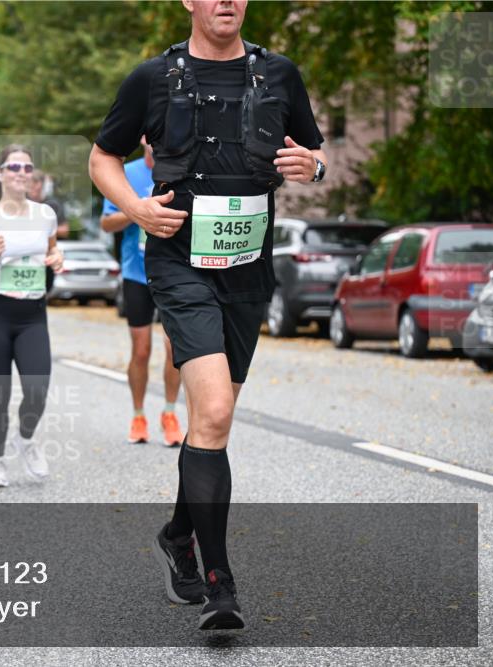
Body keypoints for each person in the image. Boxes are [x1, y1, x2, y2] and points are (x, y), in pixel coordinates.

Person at [89, 0, 327, 631]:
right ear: (190, 2)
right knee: (215, 411)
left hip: (249, 268)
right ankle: (221, 586)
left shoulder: (280, 74)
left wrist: (315, 165)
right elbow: (101, 159)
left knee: (209, 423)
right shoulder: (152, 78)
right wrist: (137, 209)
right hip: (178, 263)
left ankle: (176, 533)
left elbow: (310, 152)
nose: (225, 0)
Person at [0, 145, 63, 487]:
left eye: (27, 167)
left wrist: (57, 260)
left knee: (37, 389)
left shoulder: (46, 215)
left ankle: (25, 438)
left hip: (33, 314)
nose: (22, 172)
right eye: (15, 166)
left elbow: (51, 252)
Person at [101, 137, 185, 447]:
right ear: (143, 140)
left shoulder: (181, 171)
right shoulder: (127, 174)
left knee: (175, 350)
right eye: (153, 136)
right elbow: (106, 223)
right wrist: (138, 209)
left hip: (174, 273)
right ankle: (138, 415)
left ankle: (170, 412)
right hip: (136, 274)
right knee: (141, 350)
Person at [27, 169, 70, 239]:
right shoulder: (21, 204)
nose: (31, 186)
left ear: (43, 184)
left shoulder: (54, 204)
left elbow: (65, 231)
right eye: (28, 182)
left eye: (35, 182)